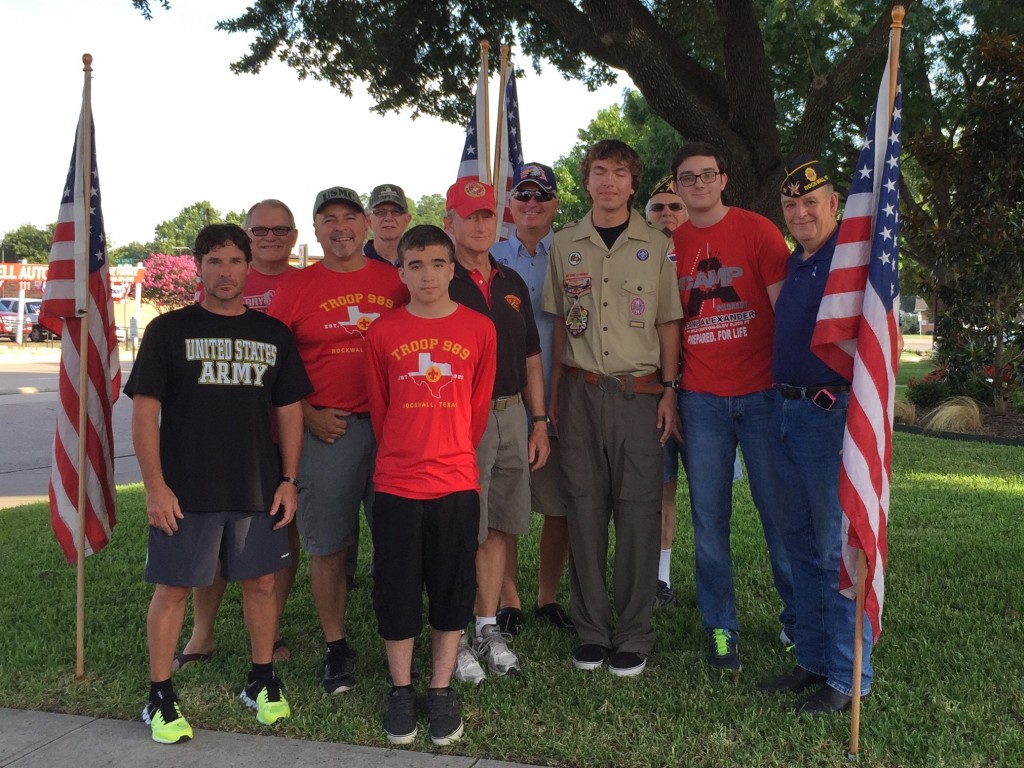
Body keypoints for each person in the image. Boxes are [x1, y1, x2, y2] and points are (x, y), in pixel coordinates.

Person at [125, 223, 311, 744]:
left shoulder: (272, 333)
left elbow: (290, 410)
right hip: (186, 489)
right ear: (198, 267)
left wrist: (290, 480)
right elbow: (144, 415)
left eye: (233, 261)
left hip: (257, 484)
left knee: (262, 584)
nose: (224, 272)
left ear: (248, 267)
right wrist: (155, 486)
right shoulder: (169, 330)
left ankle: (262, 679)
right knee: (174, 589)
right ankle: (159, 694)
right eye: (213, 261)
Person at [542, 139, 683, 678]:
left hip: (638, 395)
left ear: (633, 183)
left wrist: (670, 388)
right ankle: (592, 631)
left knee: (638, 511)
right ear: (587, 179)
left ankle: (635, 631)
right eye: (599, 171)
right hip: (578, 393)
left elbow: (669, 321)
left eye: (619, 173)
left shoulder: (657, 244)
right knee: (584, 508)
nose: (608, 182)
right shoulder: (564, 245)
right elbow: (558, 326)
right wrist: (553, 397)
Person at [268, 186, 409, 695]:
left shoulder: (396, 281)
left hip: (394, 427)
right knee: (328, 545)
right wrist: (306, 414)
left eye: (351, 216)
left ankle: (401, 637)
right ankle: (336, 645)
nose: (341, 226)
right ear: (316, 230)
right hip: (330, 431)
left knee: (396, 541)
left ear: (368, 225)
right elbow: (274, 366)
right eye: (329, 218)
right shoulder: (297, 287)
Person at [365, 224, 497, 746]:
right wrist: (408, 450)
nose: (426, 274)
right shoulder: (383, 332)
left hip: (456, 479)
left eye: (437, 263)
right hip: (397, 482)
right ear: (401, 271)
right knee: (395, 588)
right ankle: (401, 688)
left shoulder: (478, 329)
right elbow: (380, 409)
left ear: (451, 269)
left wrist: (448, 450)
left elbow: (478, 405)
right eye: (415, 264)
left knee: (450, 586)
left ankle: (440, 689)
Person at [670, 141, 796, 674]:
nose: (697, 185)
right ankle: (721, 628)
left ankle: (799, 620)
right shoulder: (669, 247)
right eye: (686, 178)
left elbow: (787, 314)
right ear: (676, 187)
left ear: (724, 180)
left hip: (764, 395)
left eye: (706, 175)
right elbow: (669, 327)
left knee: (780, 515)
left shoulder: (758, 230)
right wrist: (670, 391)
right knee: (708, 521)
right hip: (701, 400)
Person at [758, 155, 876, 714]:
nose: (800, 211)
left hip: (830, 417)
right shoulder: (795, 262)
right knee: (799, 545)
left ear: (834, 204)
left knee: (835, 551)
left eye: (811, 201)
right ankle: (811, 658)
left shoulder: (851, 261)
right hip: (783, 414)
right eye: (790, 204)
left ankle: (848, 674)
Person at [176, 199, 301, 671]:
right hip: (222, 437)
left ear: (293, 235)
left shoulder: (304, 282)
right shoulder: (220, 285)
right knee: (209, 539)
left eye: (281, 229)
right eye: (261, 230)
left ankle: (271, 626)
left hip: (279, 435)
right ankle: (201, 634)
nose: (271, 237)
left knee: (276, 538)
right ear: (249, 237)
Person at [444, 179, 549, 683]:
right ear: (450, 222)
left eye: (487, 215)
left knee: (502, 526)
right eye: (469, 216)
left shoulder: (510, 281)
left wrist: (540, 421)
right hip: (461, 416)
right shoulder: (438, 279)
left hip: (512, 414)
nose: (480, 224)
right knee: (465, 526)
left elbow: (532, 357)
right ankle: (455, 633)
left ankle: (487, 627)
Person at [490, 162, 574, 635]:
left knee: (557, 505)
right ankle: (508, 599)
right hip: (502, 399)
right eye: (522, 195)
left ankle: (546, 596)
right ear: (510, 204)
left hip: (557, 396)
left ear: (554, 204)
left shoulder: (570, 253)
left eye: (540, 195)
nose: (531, 203)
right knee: (503, 505)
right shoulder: (488, 255)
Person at [644, 176, 689, 609]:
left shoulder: (704, 255)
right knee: (661, 487)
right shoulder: (635, 259)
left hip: (706, 392)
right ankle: (660, 579)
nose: (667, 215)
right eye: (657, 207)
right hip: (650, 390)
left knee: (710, 496)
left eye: (675, 207)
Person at [364, 184, 412, 266]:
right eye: (380, 212)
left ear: (407, 220)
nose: (388, 218)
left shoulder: (417, 262)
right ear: (368, 220)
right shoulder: (354, 262)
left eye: (396, 211)